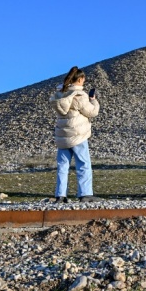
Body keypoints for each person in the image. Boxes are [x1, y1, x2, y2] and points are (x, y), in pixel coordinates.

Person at [49, 66, 100, 203]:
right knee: (83, 164)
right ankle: (85, 194)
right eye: (84, 79)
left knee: (62, 166)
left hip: (62, 135)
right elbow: (92, 112)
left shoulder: (60, 94)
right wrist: (93, 100)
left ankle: (60, 195)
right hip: (78, 135)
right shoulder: (79, 95)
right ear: (80, 79)